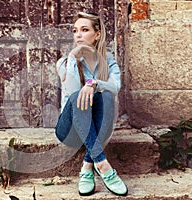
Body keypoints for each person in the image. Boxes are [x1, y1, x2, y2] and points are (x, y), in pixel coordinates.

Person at [55, 11, 128, 196]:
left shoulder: (109, 63)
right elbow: (72, 92)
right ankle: (103, 165)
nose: (78, 34)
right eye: (75, 30)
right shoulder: (65, 62)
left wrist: (94, 84)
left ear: (97, 35)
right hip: (69, 131)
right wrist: (73, 57)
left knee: (107, 96)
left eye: (84, 30)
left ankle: (88, 166)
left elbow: (115, 87)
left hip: (97, 130)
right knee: (76, 96)